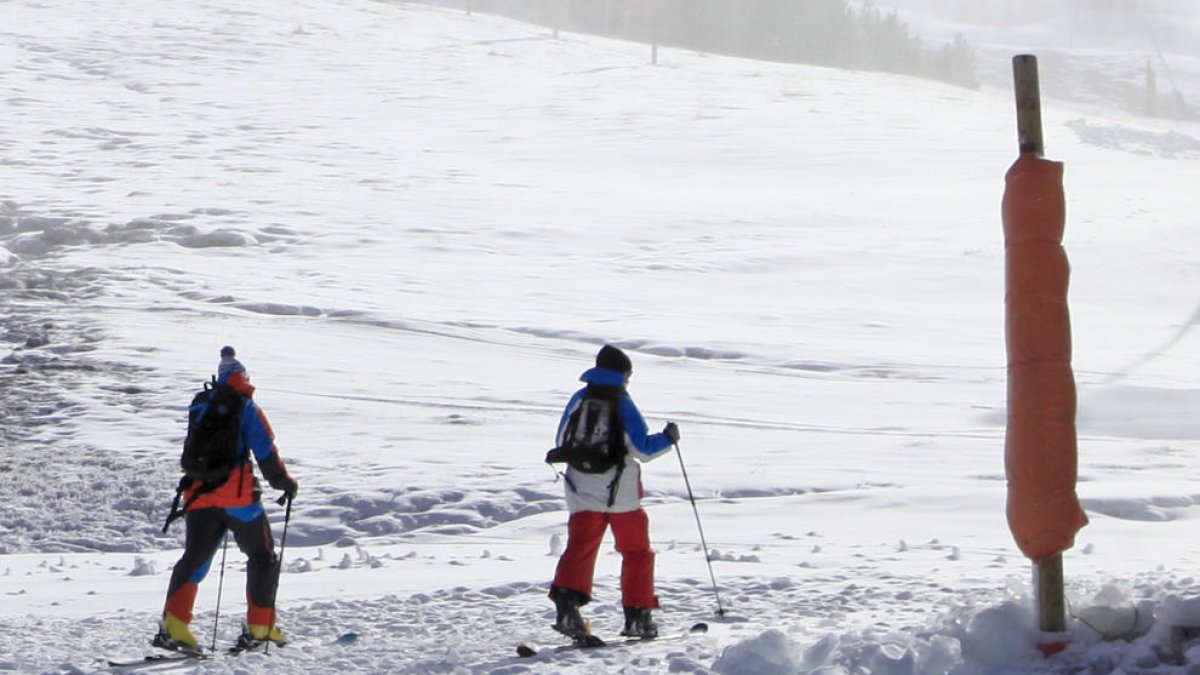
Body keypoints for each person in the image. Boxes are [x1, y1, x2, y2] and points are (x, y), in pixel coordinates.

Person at [156, 346, 299, 653]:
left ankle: (174, 627)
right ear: (243, 378)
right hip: (238, 499)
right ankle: (260, 628)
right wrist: (284, 483)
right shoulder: (246, 407)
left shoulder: (200, 405)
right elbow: (265, 451)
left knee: (194, 559)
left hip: (199, 496)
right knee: (262, 557)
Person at [549, 344, 680, 640]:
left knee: (581, 547)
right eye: (628, 375)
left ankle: (567, 608)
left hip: (581, 489)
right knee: (636, 552)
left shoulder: (578, 399)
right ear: (621, 374)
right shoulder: (622, 402)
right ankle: (638, 617)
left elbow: (560, 440)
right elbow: (642, 449)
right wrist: (668, 438)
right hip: (620, 494)